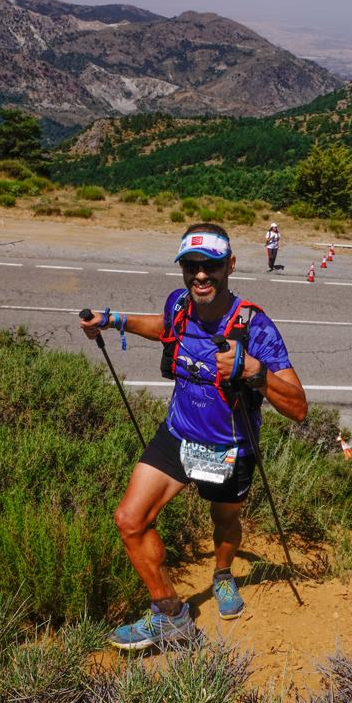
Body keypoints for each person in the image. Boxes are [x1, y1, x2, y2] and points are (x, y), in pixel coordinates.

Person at [81, 222, 307, 650]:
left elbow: (298, 407)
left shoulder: (256, 327)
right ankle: (170, 614)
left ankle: (223, 574)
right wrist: (113, 320)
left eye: (211, 266)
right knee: (130, 520)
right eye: (191, 266)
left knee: (224, 522)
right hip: (179, 435)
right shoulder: (179, 304)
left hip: (229, 449)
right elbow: (165, 328)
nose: (200, 275)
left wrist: (254, 372)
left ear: (230, 266)